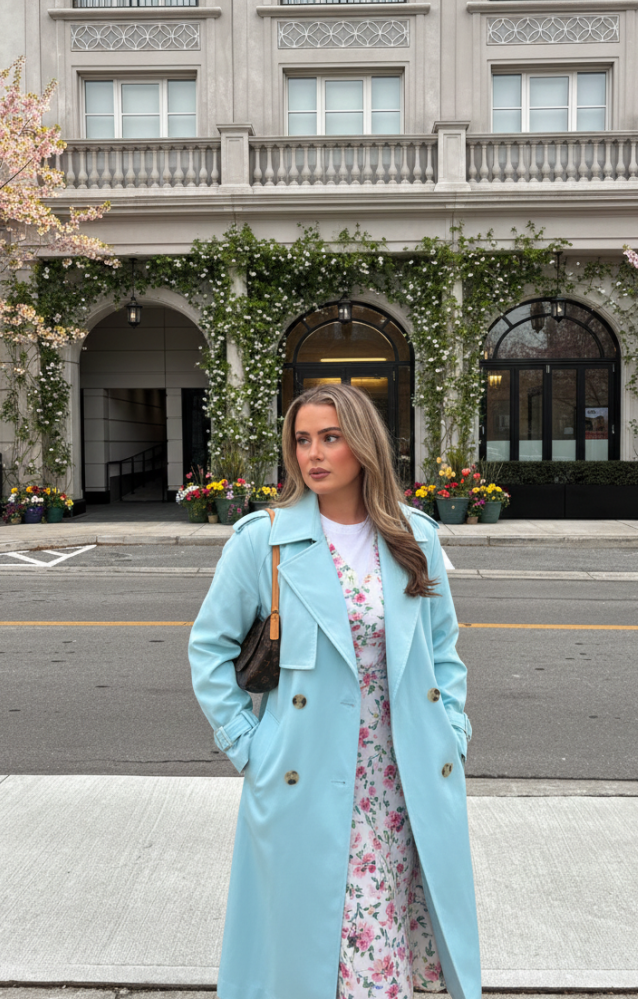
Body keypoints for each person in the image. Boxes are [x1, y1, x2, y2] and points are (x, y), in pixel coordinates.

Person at [188, 384, 481, 999]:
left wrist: (453, 730)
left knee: (385, 932)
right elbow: (209, 649)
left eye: (331, 437)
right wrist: (250, 747)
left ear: (364, 446)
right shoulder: (261, 540)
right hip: (303, 771)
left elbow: (442, 650)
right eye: (302, 440)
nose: (313, 454)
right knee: (334, 947)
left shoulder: (413, 537)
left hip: (404, 775)